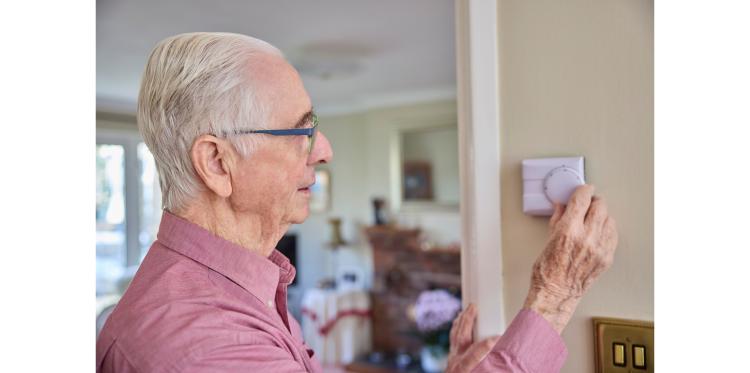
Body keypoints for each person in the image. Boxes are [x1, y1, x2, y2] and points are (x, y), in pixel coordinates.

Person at [96, 32, 618, 373]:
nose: (324, 151)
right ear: (216, 163)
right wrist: (553, 299)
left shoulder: (235, 292)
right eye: (299, 132)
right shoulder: (201, 343)